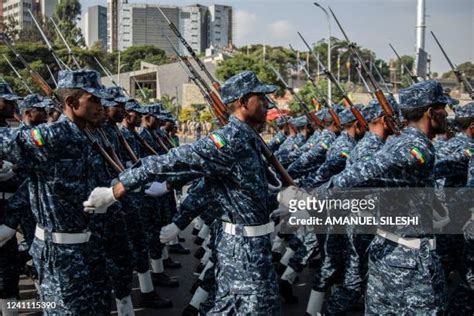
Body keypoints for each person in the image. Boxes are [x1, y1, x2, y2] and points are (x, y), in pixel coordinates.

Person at [84, 70, 282, 315]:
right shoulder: (229, 140)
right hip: (243, 249)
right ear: (242, 102)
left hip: (251, 245)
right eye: (260, 98)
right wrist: (118, 189)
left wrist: (282, 199)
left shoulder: (249, 138)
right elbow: (171, 161)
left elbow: (246, 191)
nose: (267, 103)